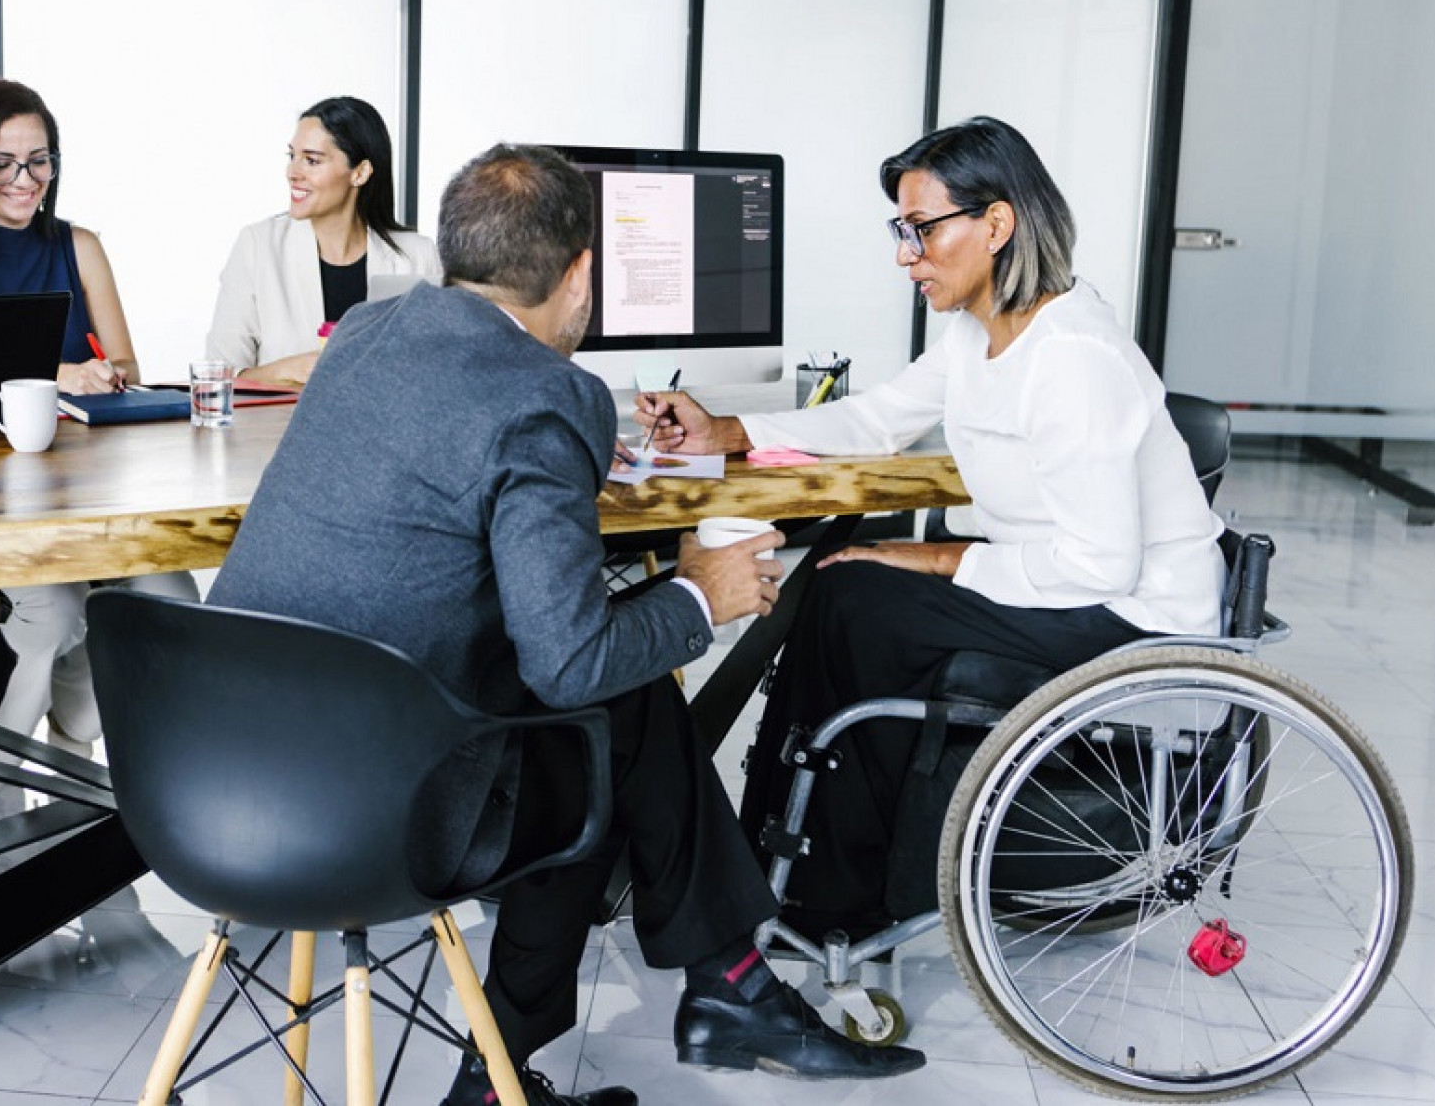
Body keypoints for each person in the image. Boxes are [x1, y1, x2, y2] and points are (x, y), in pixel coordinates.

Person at [210, 143, 924, 1106]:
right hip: (375, 812)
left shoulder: (367, 334)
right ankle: (684, 1003)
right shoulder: (547, 392)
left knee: (603, 714)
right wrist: (700, 595)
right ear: (582, 271)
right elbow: (570, 657)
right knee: (599, 711)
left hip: (218, 776)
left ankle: (697, 997)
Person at [633, 116, 1226, 940]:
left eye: (920, 229)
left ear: (995, 224)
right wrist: (725, 430)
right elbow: (879, 418)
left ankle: (827, 890)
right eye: (899, 230)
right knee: (842, 587)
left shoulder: (1070, 356)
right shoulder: (979, 331)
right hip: (1057, 579)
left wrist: (936, 557)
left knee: (852, 597)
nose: (904, 255)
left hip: (1131, 616)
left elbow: (1098, 567)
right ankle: (773, 870)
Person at [0, 78, 197, 749]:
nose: (23, 178)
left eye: (39, 159)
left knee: (171, 598)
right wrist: (67, 375)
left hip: (95, 490)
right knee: (56, 612)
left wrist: (107, 373)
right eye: (3, 161)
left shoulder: (81, 244)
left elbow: (122, 363)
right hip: (0, 502)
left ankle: (77, 756)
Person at [204, 95, 440, 386]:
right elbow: (217, 380)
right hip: (279, 431)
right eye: (292, 156)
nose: (293, 173)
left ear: (361, 172)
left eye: (312, 160)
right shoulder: (258, 247)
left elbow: (440, 376)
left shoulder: (418, 257)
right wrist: (288, 370)